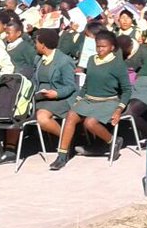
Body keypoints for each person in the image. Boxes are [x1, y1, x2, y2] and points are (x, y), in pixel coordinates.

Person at [51, 30, 127, 170]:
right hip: (89, 99)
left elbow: (127, 89)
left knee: (90, 123)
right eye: (98, 46)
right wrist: (78, 99)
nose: (100, 49)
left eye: (103, 46)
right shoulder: (92, 60)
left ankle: (113, 141)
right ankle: (62, 155)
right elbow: (87, 83)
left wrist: (119, 109)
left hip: (108, 101)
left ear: (112, 47)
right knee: (71, 115)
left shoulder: (118, 64)